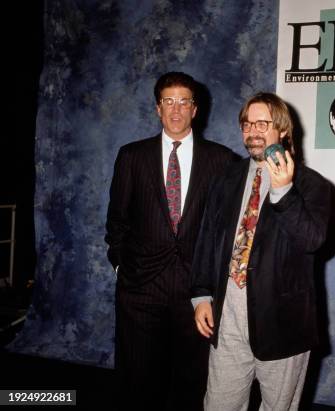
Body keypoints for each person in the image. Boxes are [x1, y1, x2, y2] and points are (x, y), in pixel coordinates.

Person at [191, 92, 331, 411]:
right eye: (246, 123)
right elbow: (207, 240)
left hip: (284, 324)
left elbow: (313, 240)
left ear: (282, 129)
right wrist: (200, 295)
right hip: (228, 318)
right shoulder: (225, 179)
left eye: (262, 123)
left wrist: (283, 192)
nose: (252, 130)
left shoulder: (312, 186)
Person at [105, 71, 236, 411]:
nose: (176, 110)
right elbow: (117, 220)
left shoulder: (222, 161)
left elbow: (227, 230)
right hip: (141, 289)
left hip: (197, 293)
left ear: (196, 109)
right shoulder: (132, 157)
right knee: (139, 383)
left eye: (184, 102)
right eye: (168, 102)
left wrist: (213, 284)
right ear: (157, 108)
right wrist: (122, 266)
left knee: (192, 383)